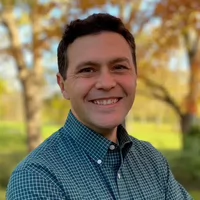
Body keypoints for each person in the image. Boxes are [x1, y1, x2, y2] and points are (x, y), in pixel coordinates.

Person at [6, 13, 193, 200]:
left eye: (119, 67)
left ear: (135, 76)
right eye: (87, 70)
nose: (106, 83)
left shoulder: (152, 161)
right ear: (63, 85)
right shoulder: (36, 180)